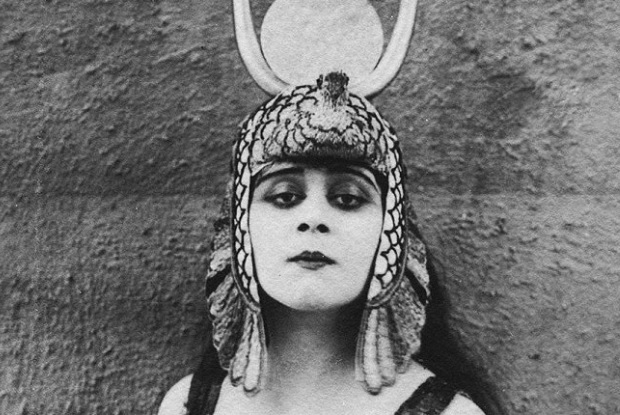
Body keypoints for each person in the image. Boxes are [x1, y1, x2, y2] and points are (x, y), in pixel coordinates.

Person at [158, 72, 488, 415]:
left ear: (393, 230)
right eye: (285, 196)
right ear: (239, 225)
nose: (314, 218)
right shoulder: (185, 406)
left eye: (347, 198)